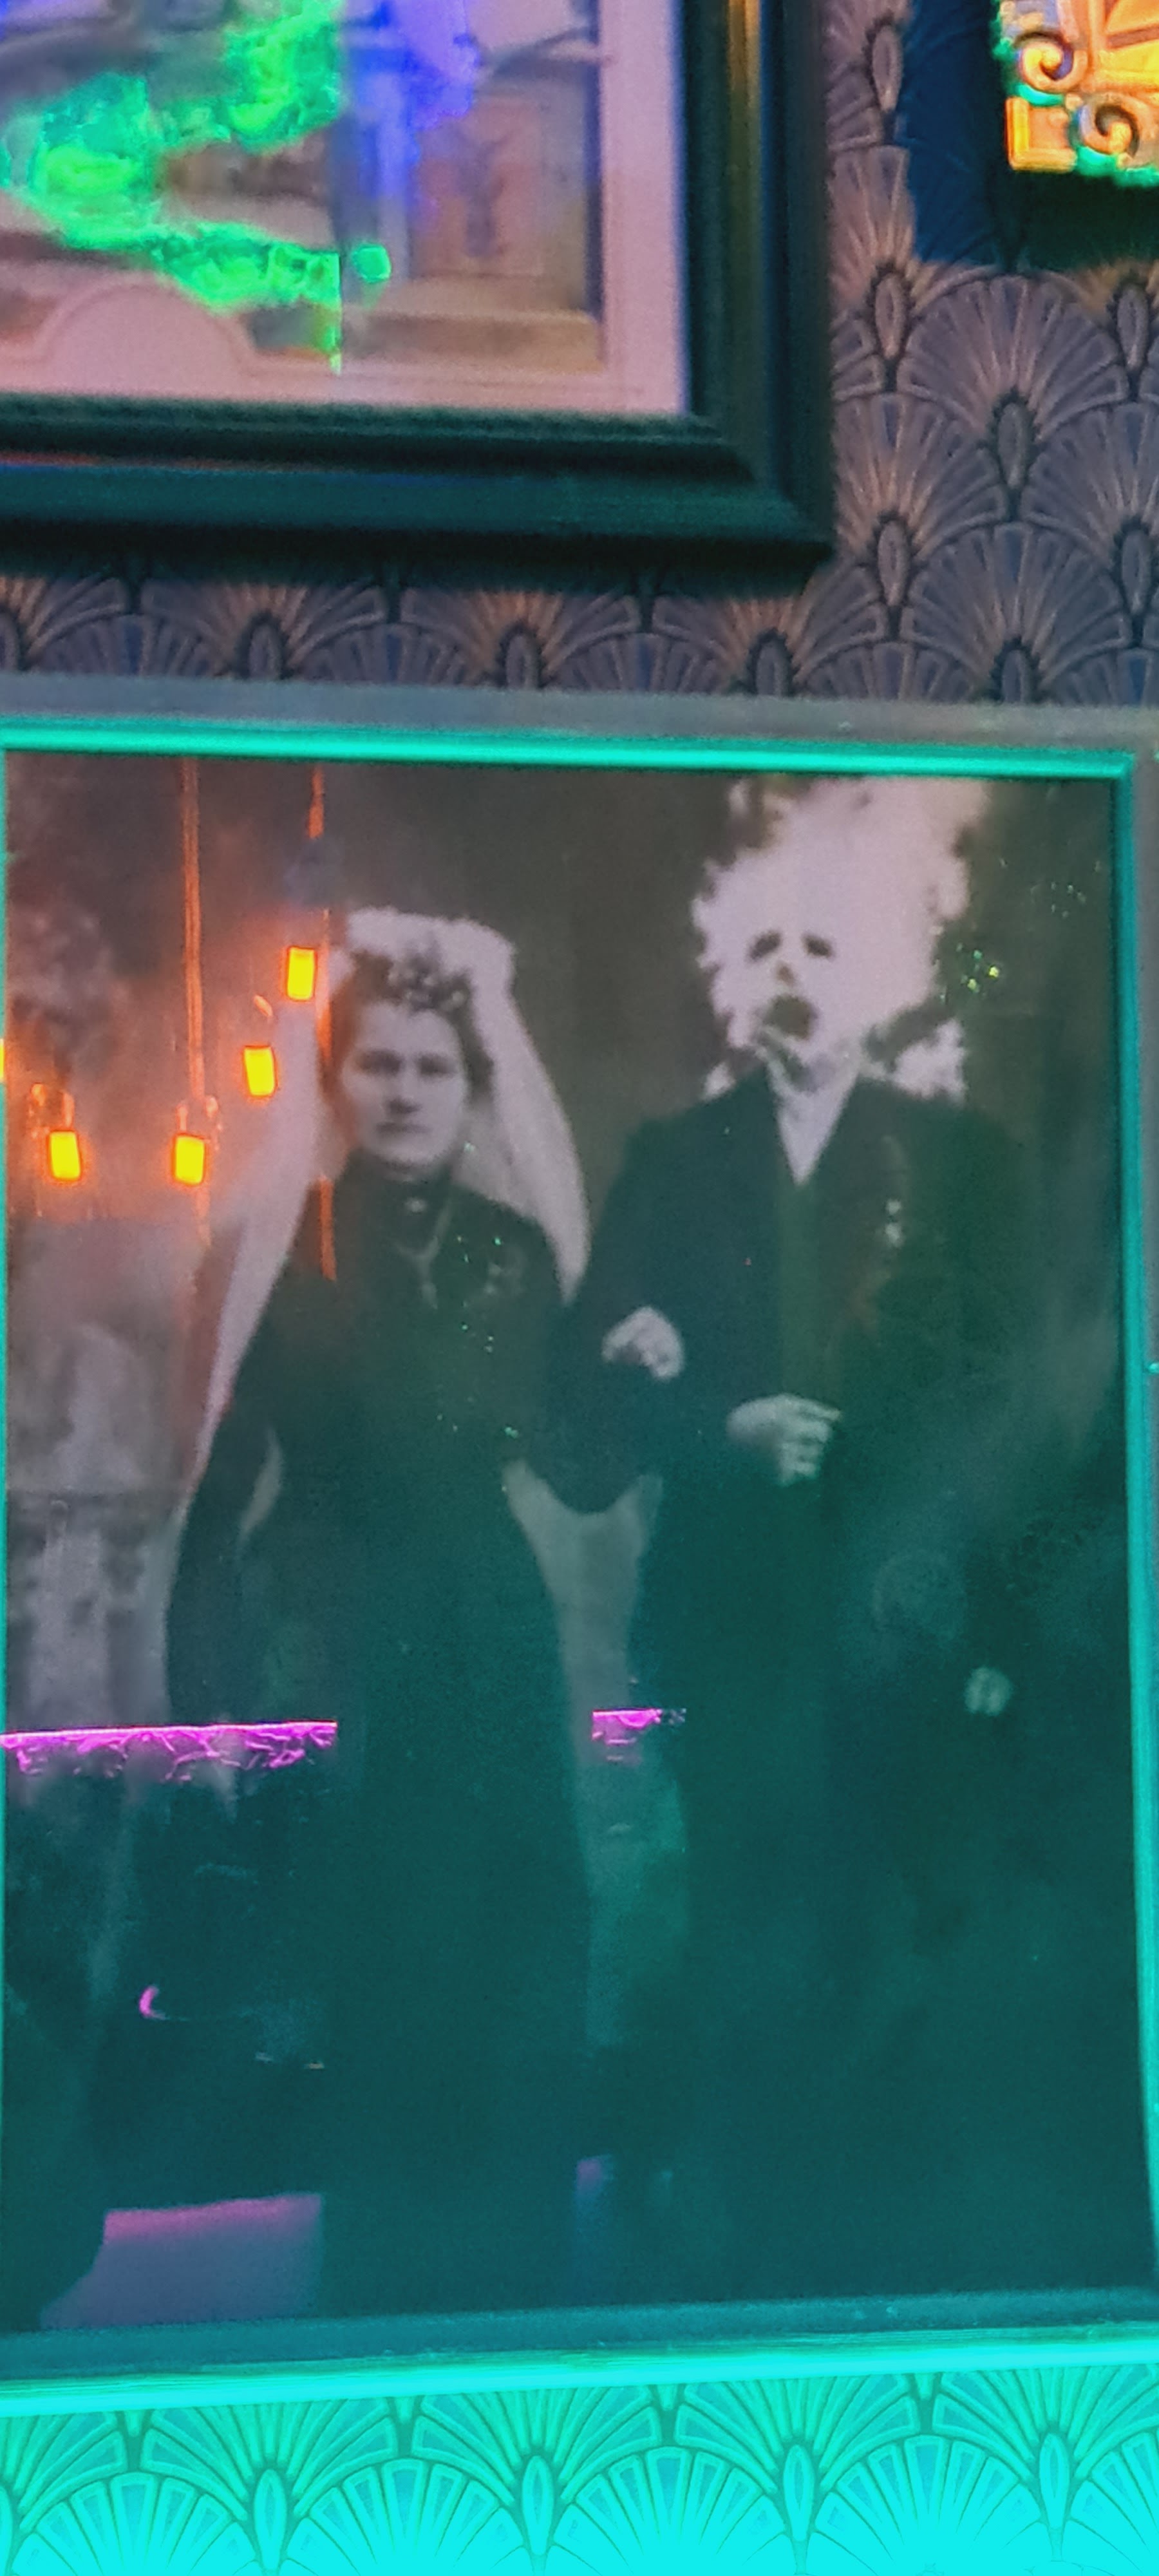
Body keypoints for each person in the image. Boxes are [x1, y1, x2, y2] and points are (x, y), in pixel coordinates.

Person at [550, 772, 1131, 2299]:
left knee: (895, 1945)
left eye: (823, 945)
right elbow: (585, 1416)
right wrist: (715, 1425)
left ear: (874, 974)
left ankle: (890, 2273)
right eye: (766, 949)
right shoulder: (675, 1162)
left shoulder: (966, 1163)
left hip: (914, 1643)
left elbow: (1024, 1418)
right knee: (751, 1945)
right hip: (737, 1637)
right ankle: (758, 2284)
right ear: (730, 978)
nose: (793, 974)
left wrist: (999, 1629)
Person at [167, 908, 591, 2317]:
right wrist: (207, 1698)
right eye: (380, 1064)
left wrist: (640, 1368)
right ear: (337, 1080)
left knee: (516, 1960)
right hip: (344, 1634)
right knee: (386, 1969)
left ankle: (518, 2292)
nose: (406, 1092)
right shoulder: (284, 1252)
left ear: (474, 1090)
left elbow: (574, 1459)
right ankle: (388, 2301)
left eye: (434, 1067)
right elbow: (223, 1483)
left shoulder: (515, 1253)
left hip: (491, 1632)